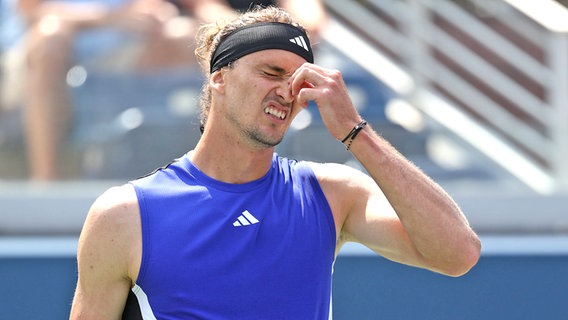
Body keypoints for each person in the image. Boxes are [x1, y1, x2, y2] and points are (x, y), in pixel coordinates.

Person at [70, 6, 481, 319]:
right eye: (271, 72)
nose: (288, 92)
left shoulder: (332, 193)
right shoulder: (123, 215)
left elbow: (458, 253)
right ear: (219, 78)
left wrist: (356, 131)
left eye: (299, 81)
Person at [16, 0, 327, 181]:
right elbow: (34, 12)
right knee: (50, 39)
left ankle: (241, 179)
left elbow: (311, 20)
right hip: (51, 47)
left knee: (183, 39)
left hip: (129, 43)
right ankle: (47, 185)